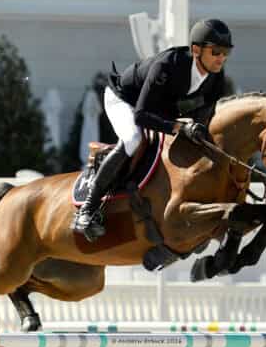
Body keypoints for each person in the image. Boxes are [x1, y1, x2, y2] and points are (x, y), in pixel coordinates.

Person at [72, 18, 234, 240]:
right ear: (196, 49)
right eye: (216, 51)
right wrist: (178, 126)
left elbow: (207, 113)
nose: (221, 58)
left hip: (159, 106)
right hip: (125, 99)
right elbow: (141, 115)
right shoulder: (168, 65)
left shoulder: (215, 77)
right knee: (132, 139)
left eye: (226, 52)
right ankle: (87, 210)